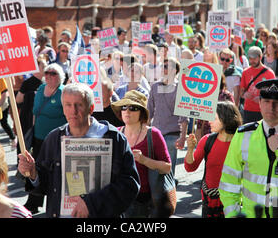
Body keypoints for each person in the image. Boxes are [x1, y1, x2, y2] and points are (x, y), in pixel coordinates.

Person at [18, 83, 140, 218]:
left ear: (91, 108)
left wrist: (91, 203)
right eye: (68, 105)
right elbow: (46, 185)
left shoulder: (114, 138)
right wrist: (33, 174)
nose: (73, 111)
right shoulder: (54, 139)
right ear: (62, 108)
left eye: (79, 105)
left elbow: (130, 185)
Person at [219, 79, 278, 218]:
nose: (271, 107)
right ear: (260, 103)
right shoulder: (243, 135)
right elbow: (229, 182)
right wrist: (233, 215)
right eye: (266, 101)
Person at [111, 90, 171, 217]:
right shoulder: (116, 134)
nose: (127, 111)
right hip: (119, 197)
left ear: (141, 113)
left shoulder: (153, 134)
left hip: (143, 201)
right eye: (124, 107)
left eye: (133, 108)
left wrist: (144, 160)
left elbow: (167, 167)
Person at [185, 101, 242, 218]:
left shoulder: (242, 142)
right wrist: (190, 150)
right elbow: (190, 167)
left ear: (226, 119)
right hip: (209, 201)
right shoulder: (207, 140)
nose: (209, 121)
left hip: (234, 199)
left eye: (214, 118)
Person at [24, 63, 67, 214]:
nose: (48, 75)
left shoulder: (63, 92)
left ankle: (54, 203)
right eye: (47, 72)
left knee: (53, 170)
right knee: (35, 168)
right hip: (39, 137)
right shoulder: (41, 89)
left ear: (60, 77)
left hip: (56, 140)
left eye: (53, 73)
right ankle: (33, 201)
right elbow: (35, 112)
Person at [147, 57, 188, 181]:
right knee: (155, 171)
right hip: (156, 134)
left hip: (172, 135)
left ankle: (170, 196)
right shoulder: (154, 87)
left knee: (168, 172)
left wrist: (182, 137)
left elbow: (184, 116)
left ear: (175, 70)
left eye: (166, 67)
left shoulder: (181, 88)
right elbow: (149, 112)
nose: (163, 69)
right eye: (162, 66)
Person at [239, 46, 276, 123]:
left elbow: (274, 93)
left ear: (260, 57)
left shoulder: (269, 73)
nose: (252, 61)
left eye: (254, 58)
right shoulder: (245, 72)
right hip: (248, 110)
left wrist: (261, 98)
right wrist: (245, 94)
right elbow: (241, 92)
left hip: (264, 111)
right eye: (250, 58)